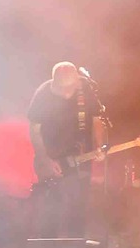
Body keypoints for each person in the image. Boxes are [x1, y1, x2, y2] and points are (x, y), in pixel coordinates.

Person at [27, 61, 107, 235]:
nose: (65, 93)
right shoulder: (43, 93)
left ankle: (75, 247)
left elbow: (97, 120)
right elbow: (34, 130)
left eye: (69, 89)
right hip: (51, 159)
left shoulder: (86, 90)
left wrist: (99, 145)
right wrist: (45, 159)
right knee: (51, 208)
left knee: (78, 206)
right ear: (53, 82)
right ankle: (48, 245)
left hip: (81, 157)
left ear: (77, 82)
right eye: (61, 89)